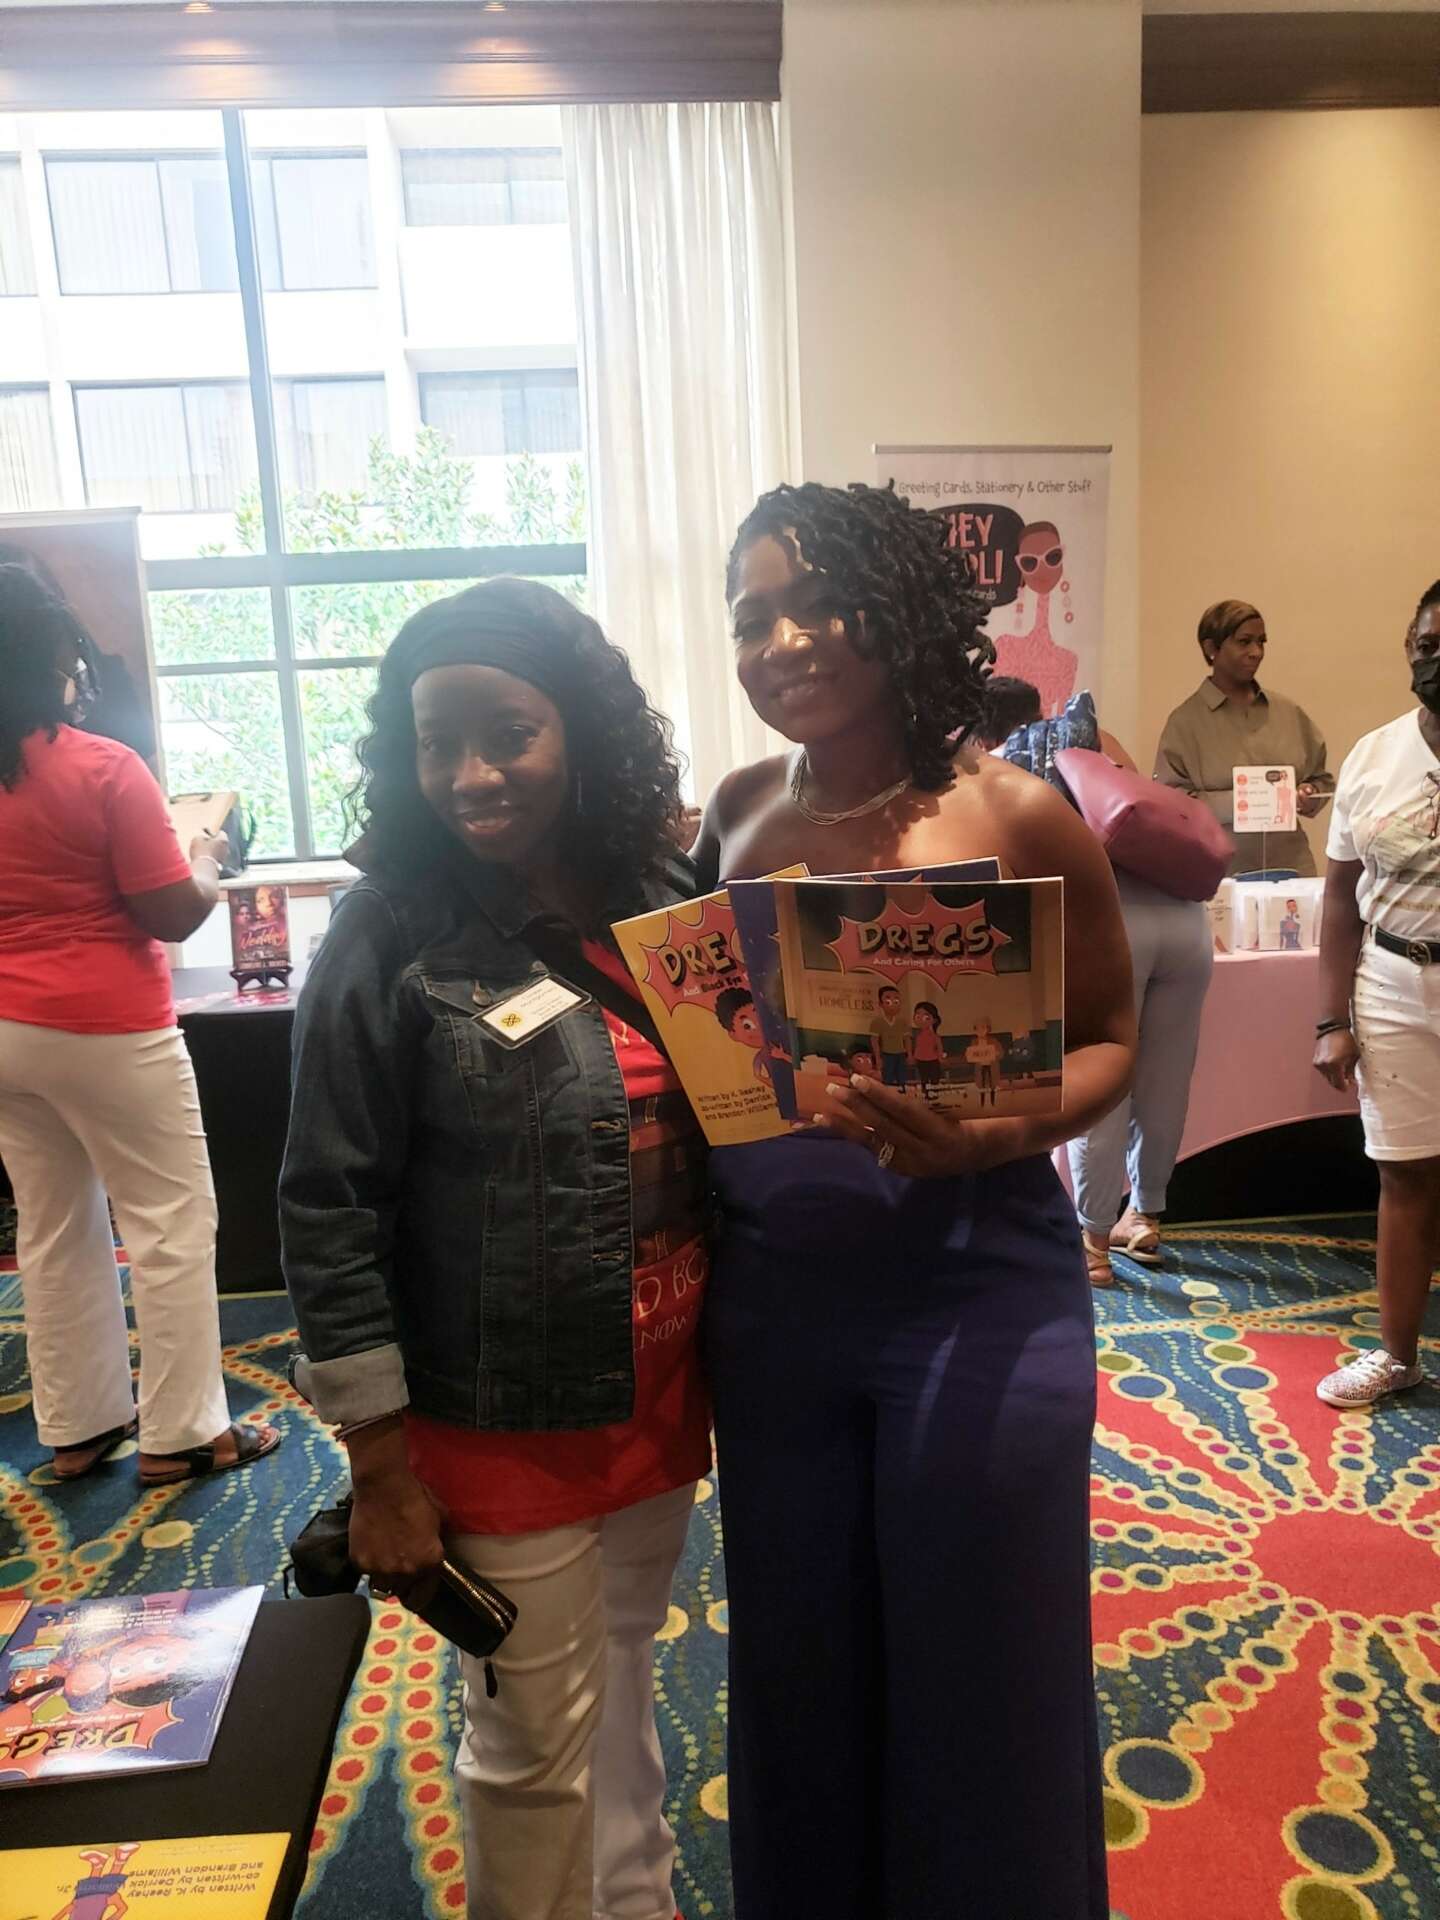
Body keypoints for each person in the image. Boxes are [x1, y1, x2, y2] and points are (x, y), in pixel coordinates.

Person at [693, 481, 1134, 1920]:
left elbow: (1113, 1038)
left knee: (983, 1660)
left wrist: (1000, 1129)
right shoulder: (740, 814)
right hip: (777, 1302)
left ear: (901, 610)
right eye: (753, 617)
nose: (784, 642)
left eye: (819, 603)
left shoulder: (1014, 810)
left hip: (976, 1278)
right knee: (800, 1650)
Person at [279, 579, 708, 1920]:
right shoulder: (389, 930)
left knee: (623, 1685)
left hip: (657, 1392)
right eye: (436, 744)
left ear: (577, 729)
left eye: (506, 735)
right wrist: (379, 1469)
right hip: (497, 1418)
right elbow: (327, 1205)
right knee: (528, 1754)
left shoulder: (662, 897)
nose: (469, 776)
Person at [0, 563, 278, 1486]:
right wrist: (206, 857)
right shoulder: (103, 765)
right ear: (53, 656)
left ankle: (78, 1428)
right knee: (170, 1221)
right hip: (105, 1025)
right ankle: (187, 1432)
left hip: (4, 1034)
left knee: (51, 1227)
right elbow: (170, 912)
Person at [1311, 578, 1440, 1408]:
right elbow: (1337, 898)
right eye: (1428, 646)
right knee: (1406, 1175)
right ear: (1408, 651)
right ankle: (1398, 1356)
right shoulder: (1373, 756)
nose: (1436, 660)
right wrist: (1331, 1019)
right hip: (1393, 984)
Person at [1155, 598, 1329, 876]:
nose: (1256, 652)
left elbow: (1320, 780)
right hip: (1218, 876)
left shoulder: (1288, 712)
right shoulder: (1184, 723)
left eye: (1261, 642)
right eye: (1244, 642)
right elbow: (1171, 804)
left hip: (1290, 870)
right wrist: (1241, 802)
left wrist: (1309, 795)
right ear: (1211, 648)